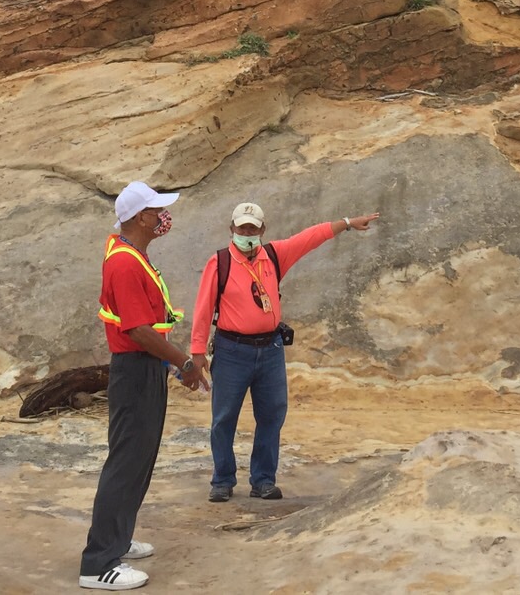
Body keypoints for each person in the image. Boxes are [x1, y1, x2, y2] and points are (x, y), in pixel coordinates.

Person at [191, 204, 379, 503]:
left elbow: (310, 237)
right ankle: (222, 480)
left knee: (272, 415)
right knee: (224, 418)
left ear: (263, 230)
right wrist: (197, 351)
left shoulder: (275, 256)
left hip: (270, 350)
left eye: (253, 229)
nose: (247, 234)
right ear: (232, 229)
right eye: (242, 229)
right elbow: (203, 308)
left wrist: (346, 222)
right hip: (231, 350)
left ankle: (263, 480)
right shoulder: (220, 262)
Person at [80, 181, 208, 591]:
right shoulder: (124, 263)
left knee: (140, 458)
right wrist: (184, 362)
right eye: (157, 211)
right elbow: (136, 330)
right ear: (140, 217)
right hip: (135, 369)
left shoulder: (133, 255)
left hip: (145, 368)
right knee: (126, 462)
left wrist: (170, 364)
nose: (163, 217)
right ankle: (98, 564)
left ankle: (118, 537)